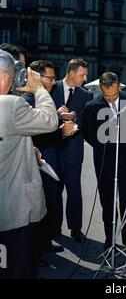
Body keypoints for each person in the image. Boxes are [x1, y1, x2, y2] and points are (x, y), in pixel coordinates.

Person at [0, 49, 58, 278]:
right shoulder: (11, 105)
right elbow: (50, 120)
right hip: (11, 212)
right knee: (15, 270)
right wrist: (40, 90)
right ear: (5, 76)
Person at [82, 72, 126, 250]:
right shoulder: (91, 106)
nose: (112, 99)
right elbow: (87, 132)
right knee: (107, 201)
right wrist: (102, 145)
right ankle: (109, 239)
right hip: (104, 160)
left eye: (115, 94)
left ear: (119, 86)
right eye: (107, 95)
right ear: (100, 89)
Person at [27, 60, 76, 255]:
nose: (54, 82)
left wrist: (56, 116)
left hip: (50, 157)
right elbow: (35, 131)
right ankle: (37, 249)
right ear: (38, 77)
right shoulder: (28, 99)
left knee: (49, 202)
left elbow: (42, 122)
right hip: (40, 160)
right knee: (42, 203)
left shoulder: (41, 98)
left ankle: (44, 242)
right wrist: (61, 131)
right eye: (51, 77)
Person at [51, 58, 93, 242]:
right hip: (51, 148)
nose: (85, 78)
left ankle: (76, 228)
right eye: (82, 74)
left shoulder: (86, 95)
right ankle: (53, 228)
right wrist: (57, 115)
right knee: (53, 190)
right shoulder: (52, 88)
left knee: (74, 190)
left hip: (74, 150)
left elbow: (88, 123)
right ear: (71, 72)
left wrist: (75, 118)